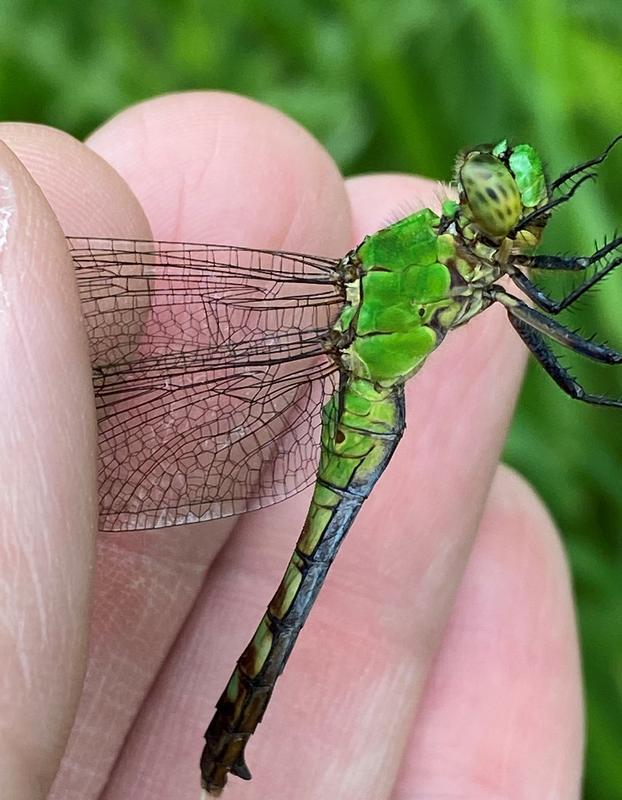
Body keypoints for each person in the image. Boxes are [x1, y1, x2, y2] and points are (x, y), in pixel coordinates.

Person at [0, 92, 583, 799]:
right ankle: (233, 727)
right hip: (360, 409)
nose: (517, 211)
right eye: (498, 196)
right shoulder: (446, 265)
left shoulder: (473, 263)